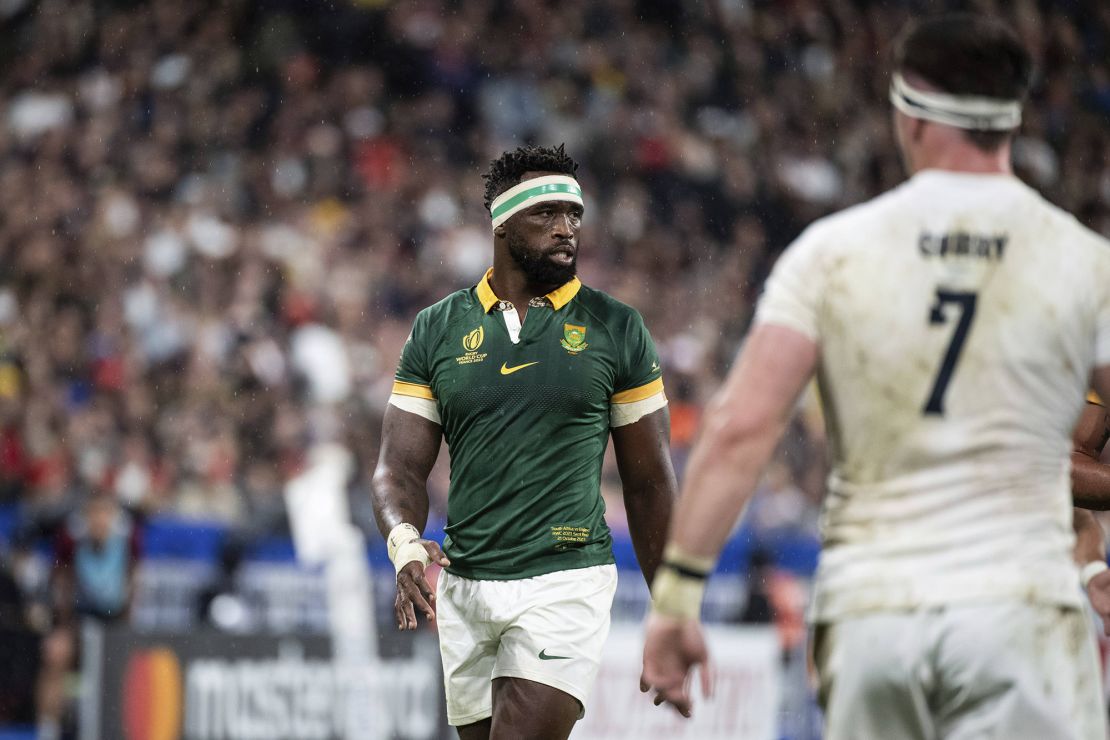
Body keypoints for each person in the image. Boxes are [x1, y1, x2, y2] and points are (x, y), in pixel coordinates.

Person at [641, 13, 1110, 739]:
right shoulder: (1083, 262)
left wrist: (675, 600)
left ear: (908, 117)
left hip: (878, 608)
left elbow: (740, 429)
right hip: (1020, 611)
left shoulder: (835, 252)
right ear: (1012, 120)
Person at [371, 144, 677, 739]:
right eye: (547, 215)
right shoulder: (437, 329)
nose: (567, 229)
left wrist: (672, 606)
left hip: (565, 578)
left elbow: (650, 480)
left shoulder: (616, 327)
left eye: (574, 215)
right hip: (465, 585)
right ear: (503, 226)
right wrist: (404, 542)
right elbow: (398, 469)